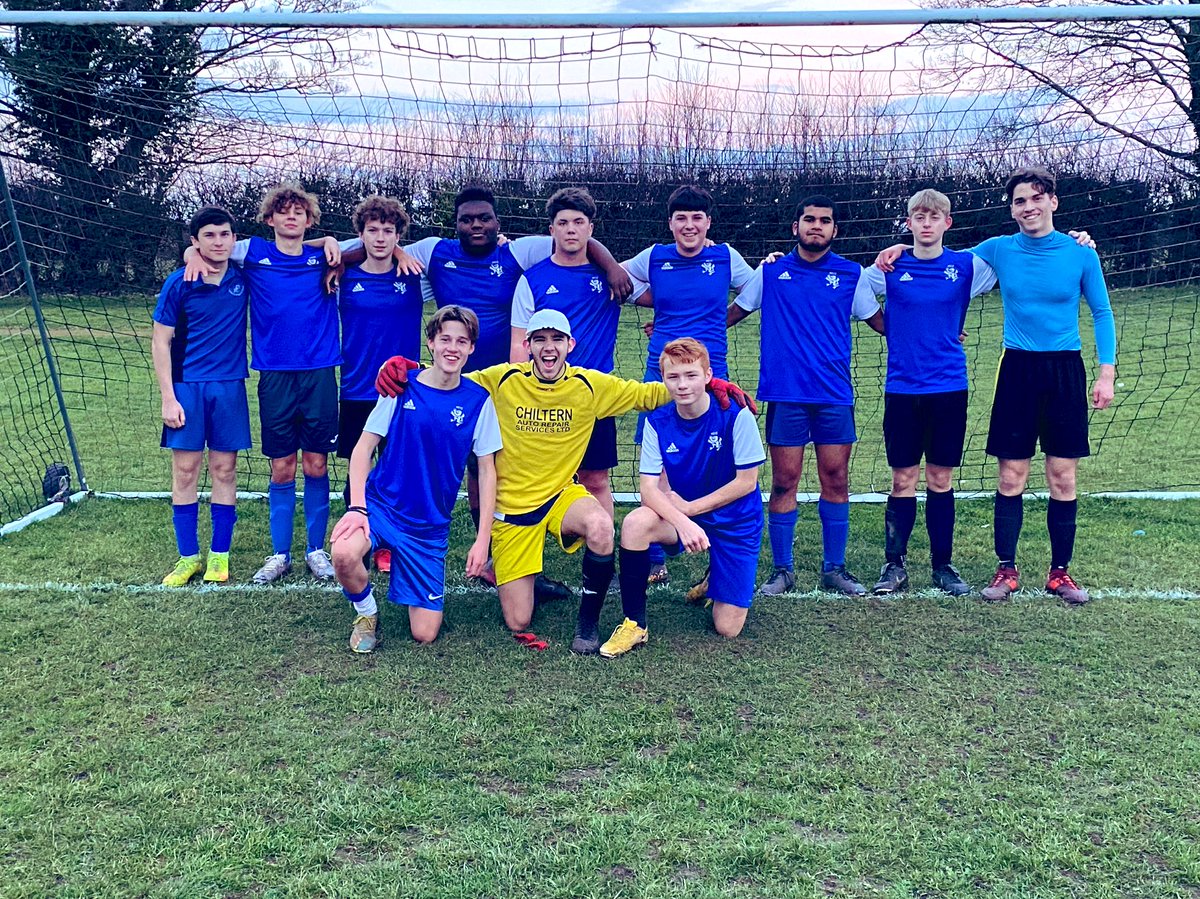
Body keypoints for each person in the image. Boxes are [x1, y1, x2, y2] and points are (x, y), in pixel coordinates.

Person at [375, 309, 754, 654]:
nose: (548, 347)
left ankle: (587, 625)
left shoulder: (590, 386)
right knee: (518, 621)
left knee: (601, 524)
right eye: (539, 339)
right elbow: (446, 378)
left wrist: (713, 385)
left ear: (570, 345)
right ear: (528, 346)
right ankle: (530, 581)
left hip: (560, 497)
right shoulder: (501, 379)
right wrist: (407, 369)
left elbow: (652, 393)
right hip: (512, 510)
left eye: (557, 339)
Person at [351, 184, 631, 598]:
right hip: (453, 384)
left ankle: (513, 562)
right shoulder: (433, 250)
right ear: (456, 223)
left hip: (505, 388)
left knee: (502, 470)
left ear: (499, 223)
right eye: (467, 219)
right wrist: (392, 252)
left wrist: (611, 266)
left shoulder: (519, 252)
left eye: (484, 218)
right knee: (450, 470)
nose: (476, 225)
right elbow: (357, 246)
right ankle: (394, 540)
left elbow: (578, 236)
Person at [876, 168, 1114, 604]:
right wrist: (899, 248)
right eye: (1021, 201)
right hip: (1016, 371)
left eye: (1037, 198)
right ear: (1012, 209)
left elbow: (1101, 312)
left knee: (1062, 477)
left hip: (1065, 371)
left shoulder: (1081, 253)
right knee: (1011, 475)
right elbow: (940, 257)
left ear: (1053, 202)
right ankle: (1006, 570)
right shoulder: (998, 249)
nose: (1029, 207)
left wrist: (1106, 372)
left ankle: (1060, 574)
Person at [184, 183, 345, 585]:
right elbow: (208, 246)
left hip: (320, 372)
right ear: (270, 218)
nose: (291, 217)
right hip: (274, 376)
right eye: (283, 211)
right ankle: (280, 554)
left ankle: (316, 550)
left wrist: (333, 242)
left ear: (310, 220)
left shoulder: (323, 255)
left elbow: (378, 240)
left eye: (299, 212)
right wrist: (189, 252)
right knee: (282, 467)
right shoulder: (251, 251)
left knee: (317, 463)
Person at [728, 195, 884, 596]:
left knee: (836, 478)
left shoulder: (852, 275)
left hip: (833, 395)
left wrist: (933, 330)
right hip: (786, 395)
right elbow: (731, 314)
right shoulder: (771, 273)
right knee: (784, 482)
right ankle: (783, 570)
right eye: (809, 219)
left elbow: (882, 324)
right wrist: (677, 328)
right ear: (795, 227)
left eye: (825, 221)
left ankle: (835, 568)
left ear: (835, 230)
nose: (817, 226)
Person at [330, 306, 501, 651]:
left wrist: (483, 540)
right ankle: (366, 612)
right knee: (345, 554)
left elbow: (486, 471)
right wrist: (358, 508)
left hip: (427, 528)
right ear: (431, 343)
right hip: (382, 508)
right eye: (445, 339)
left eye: (461, 341)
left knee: (425, 633)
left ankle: (407, 574)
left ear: (471, 349)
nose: (452, 348)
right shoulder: (401, 386)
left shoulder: (479, 401)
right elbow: (363, 450)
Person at [860, 189, 997, 596]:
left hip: (949, 388)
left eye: (933, 217)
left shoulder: (966, 266)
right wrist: (887, 326)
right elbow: (853, 291)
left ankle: (944, 566)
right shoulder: (889, 266)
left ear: (946, 223)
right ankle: (894, 565)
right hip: (902, 389)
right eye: (918, 217)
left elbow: (1019, 253)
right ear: (908, 223)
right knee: (902, 479)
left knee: (940, 478)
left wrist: (1077, 239)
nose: (925, 223)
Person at [621, 184, 757, 584]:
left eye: (697, 218)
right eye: (681, 218)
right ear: (670, 223)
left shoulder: (726, 256)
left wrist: (723, 318)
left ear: (708, 222)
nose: (689, 225)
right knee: (660, 465)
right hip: (661, 374)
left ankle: (719, 554)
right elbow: (617, 277)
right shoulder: (654, 256)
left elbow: (756, 290)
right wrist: (656, 304)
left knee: (717, 462)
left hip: (711, 375)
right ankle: (654, 555)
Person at [603, 338, 765, 657]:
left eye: (691, 375)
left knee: (727, 628)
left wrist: (691, 511)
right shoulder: (656, 420)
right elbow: (648, 489)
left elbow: (747, 482)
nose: (682, 384)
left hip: (736, 520)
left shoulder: (736, 413)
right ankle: (634, 624)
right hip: (682, 513)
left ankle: (717, 575)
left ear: (708, 375)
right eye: (673, 377)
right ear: (663, 379)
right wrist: (683, 520)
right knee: (635, 524)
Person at [151, 205, 250, 586]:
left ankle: (219, 557)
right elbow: (161, 341)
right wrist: (167, 397)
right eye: (208, 236)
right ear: (194, 241)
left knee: (225, 470)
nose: (218, 241)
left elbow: (284, 252)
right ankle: (188, 557)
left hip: (228, 388)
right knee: (186, 470)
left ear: (233, 239)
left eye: (225, 234)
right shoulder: (179, 282)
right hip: (187, 388)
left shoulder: (244, 278)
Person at [510, 187, 621, 517]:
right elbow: (519, 343)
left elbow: (666, 296)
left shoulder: (612, 277)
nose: (571, 229)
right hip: (546, 397)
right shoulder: (532, 280)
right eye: (563, 222)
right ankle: (531, 556)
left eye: (578, 222)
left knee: (596, 480)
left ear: (590, 229)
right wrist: (524, 391)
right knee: (538, 479)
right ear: (551, 230)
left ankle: (598, 564)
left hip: (594, 396)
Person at [336, 195, 423, 571]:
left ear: (399, 235)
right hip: (356, 388)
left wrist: (403, 254)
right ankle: (356, 536)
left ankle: (389, 543)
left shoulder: (415, 274)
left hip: (402, 389)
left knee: (396, 471)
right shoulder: (342, 276)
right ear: (361, 234)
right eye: (373, 230)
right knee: (359, 467)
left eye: (389, 231)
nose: (381, 238)